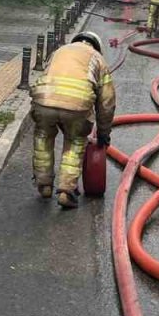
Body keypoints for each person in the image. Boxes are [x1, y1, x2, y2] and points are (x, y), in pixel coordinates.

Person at [30, 30, 116, 209]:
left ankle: (44, 184)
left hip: (44, 100)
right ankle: (66, 191)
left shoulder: (60, 51)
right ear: (96, 46)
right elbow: (107, 102)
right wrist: (103, 133)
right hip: (77, 107)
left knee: (43, 136)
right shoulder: (97, 58)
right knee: (75, 141)